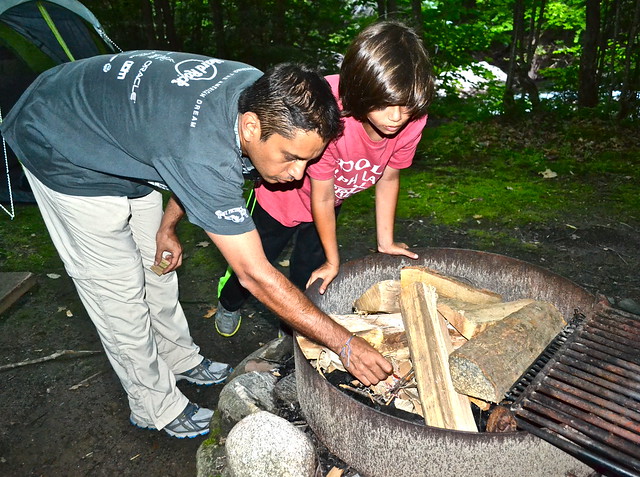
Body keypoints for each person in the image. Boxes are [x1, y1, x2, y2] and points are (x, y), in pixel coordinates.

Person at [0, 50, 393, 439]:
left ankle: (179, 358)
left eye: (310, 161)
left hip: (124, 134)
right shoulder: (205, 152)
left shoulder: (255, 91)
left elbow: (182, 158)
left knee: (159, 268)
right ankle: (154, 407)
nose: (297, 175)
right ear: (252, 128)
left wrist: (169, 224)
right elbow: (254, 274)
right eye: (290, 158)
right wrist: (345, 344)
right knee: (118, 292)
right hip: (60, 141)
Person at [215, 21, 435, 337]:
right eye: (386, 105)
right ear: (361, 87)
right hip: (281, 197)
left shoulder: (411, 120)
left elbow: (389, 176)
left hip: (331, 202)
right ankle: (229, 301)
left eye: (406, 105)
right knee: (253, 266)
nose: (396, 117)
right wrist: (336, 258)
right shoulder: (329, 112)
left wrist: (384, 242)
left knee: (312, 273)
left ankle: (292, 331)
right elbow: (320, 194)